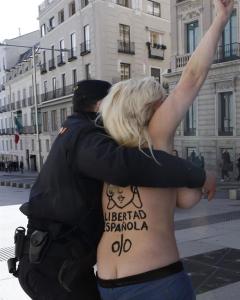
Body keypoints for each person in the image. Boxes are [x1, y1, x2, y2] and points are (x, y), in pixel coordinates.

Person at [15, 78, 215, 300]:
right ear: (102, 106)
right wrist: (197, 173)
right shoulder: (88, 138)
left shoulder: (78, 132)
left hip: (62, 265)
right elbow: (123, 167)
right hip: (55, 266)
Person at [96, 1, 232, 299]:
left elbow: (182, 198)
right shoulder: (157, 134)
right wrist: (220, 19)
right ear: (152, 108)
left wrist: (190, 173)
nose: (169, 104)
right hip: (156, 279)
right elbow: (193, 76)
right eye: (164, 100)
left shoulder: (111, 151)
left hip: (107, 280)